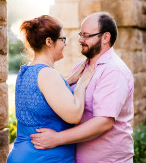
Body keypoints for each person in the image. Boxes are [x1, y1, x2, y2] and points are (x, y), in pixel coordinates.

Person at [30, 12, 135, 162]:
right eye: (81, 34)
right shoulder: (81, 67)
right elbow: (65, 102)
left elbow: (103, 122)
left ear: (106, 37)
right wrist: (68, 81)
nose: (80, 39)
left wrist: (56, 138)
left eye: (86, 36)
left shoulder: (113, 71)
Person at [7, 15, 94, 163]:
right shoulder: (47, 74)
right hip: (43, 158)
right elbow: (74, 115)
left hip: (25, 155)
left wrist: (69, 80)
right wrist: (81, 86)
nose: (64, 44)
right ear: (49, 42)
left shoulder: (27, 70)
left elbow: (42, 98)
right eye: (62, 40)